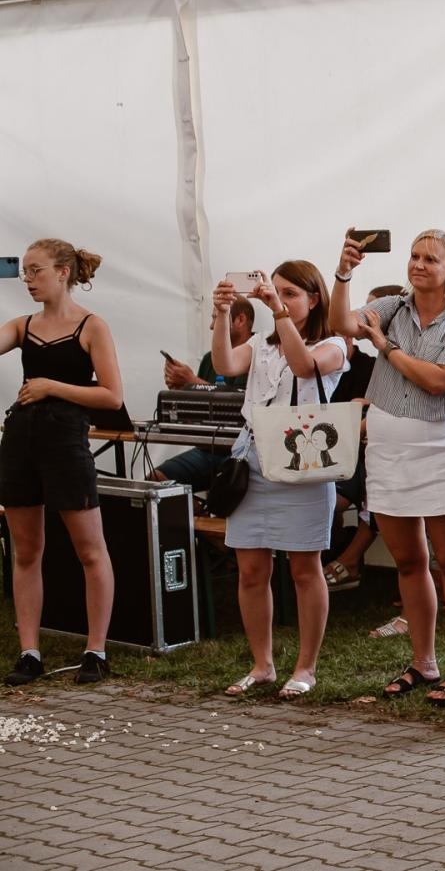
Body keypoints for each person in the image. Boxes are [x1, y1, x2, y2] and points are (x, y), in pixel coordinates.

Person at [330, 229, 445, 705]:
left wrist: (387, 347)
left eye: (430, 259)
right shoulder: (393, 306)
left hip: (437, 450)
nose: (418, 264)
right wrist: (343, 274)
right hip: (386, 452)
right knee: (409, 561)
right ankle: (424, 661)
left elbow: (440, 382)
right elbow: (342, 323)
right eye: (414, 256)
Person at [209, 262, 349, 700]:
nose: (280, 299)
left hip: (304, 457)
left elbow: (305, 367)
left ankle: (306, 667)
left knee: (305, 569)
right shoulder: (261, 343)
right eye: (278, 291)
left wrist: (278, 313)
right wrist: (221, 315)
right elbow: (224, 363)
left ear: (315, 298)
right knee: (251, 569)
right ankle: (262, 664)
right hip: (252, 455)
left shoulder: (334, 345)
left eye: (291, 293)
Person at [0, 239, 123, 687]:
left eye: (36, 270)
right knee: (26, 550)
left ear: (63, 272)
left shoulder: (92, 326)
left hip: (66, 442)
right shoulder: (22, 325)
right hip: (21, 440)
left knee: (89, 548)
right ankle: (29, 651)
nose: (28, 280)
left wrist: (51, 386)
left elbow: (112, 396)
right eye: (25, 272)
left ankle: (96, 650)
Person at [322, 283, 402, 593]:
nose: (365, 317)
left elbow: (392, 409)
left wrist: (354, 425)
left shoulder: (390, 360)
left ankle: (349, 559)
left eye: (373, 310)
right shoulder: (379, 360)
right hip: (364, 453)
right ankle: (339, 556)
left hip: (388, 457)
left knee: (360, 495)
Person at [149, 298, 255, 490]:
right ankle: (193, 508)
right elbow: (198, 413)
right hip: (208, 449)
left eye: (218, 318)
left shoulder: (260, 356)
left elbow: (243, 402)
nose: (212, 326)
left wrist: (192, 381)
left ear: (240, 320)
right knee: (156, 481)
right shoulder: (209, 359)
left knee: (227, 491)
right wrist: (181, 391)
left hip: (244, 452)